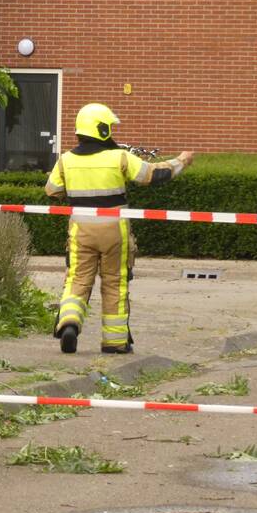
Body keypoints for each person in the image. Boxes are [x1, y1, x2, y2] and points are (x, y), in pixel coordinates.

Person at [46, 103, 194, 354]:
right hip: (115, 231)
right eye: (110, 127)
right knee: (115, 283)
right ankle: (114, 342)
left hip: (81, 230)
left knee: (77, 279)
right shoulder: (120, 157)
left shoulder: (66, 160)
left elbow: (52, 190)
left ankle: (69, 321)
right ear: (101, 129)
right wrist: (181, 161)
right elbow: (153, 175)